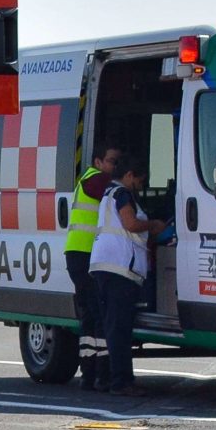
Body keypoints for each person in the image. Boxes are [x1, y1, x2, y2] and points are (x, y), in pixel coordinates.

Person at [85, 163, 154, 399]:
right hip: (118, 270)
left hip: (103, 266)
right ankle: (121, 382)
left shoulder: (107, 193)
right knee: (120, 329)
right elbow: (131, 224)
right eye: (139, 181)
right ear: (129, 173)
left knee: (111, 326)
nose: (139, 187)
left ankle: (108, 379)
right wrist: (153, 225)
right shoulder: (122, 193)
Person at [62, 149, 124, 389]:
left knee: (89, 316)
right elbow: (117, 195)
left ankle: (89, 372)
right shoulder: (96, 179)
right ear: (97, 162)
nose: (115, 166)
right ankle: (102, 373)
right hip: (85, 255)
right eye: (111, 161)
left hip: (79, 254)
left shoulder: (88, 179)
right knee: (99, 314)